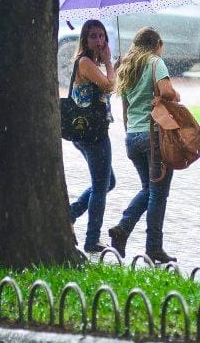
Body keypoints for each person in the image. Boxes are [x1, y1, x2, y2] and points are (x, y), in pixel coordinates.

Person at [108, 27, 179, 263]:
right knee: (158, 195)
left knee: (149, 190)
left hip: (133, 138)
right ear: (157, 43)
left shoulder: (127, 67)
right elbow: (168, 92)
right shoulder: (155, 62)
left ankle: (123, 230)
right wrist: (173, 96)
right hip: (154, 137)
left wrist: (131, 133)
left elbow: (125, 109)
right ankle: (152, 247)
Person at [68, 20, 116, 253]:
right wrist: (108, 62)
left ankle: (71, 213)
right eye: (93, 36)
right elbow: (109, 86)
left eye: (102, 36)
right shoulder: (86, 62)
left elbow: (108, 82)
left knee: (108, 182)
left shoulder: (91, 62)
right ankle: (92, 239)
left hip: (89, 130)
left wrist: (111, 63)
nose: (99, 41)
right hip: (92, 132)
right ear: (85, 41)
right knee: (101, 185)